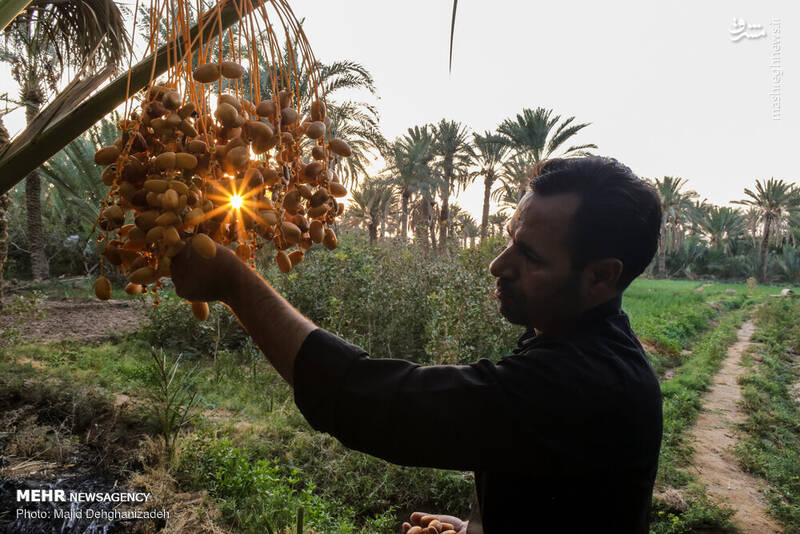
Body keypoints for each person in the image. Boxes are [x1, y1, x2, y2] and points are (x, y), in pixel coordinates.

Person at [171, 155, 664, 534]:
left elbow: (373, 403)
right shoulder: (585, 351)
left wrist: (236, 285)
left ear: (601, 277)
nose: (497, 265)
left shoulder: (581, 385)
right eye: (510, 238)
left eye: (529, 255)